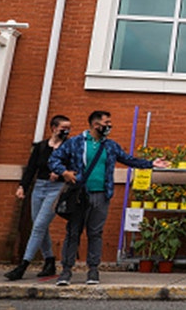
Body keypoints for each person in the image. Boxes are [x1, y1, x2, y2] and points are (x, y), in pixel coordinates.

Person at [48, 110, 170, 286]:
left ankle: (93, 270)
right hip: (79, 195)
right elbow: (54, 160)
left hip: (101, 195)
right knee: (73, 232)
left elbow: (128, 159)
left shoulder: (110, 145)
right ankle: (66, 270)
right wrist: (64, 172)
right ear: (96, 125)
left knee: (95, 232)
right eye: (107, 123)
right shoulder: (75, 143)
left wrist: (151, 163)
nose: (110, 126)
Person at [5, 115, 72, 281]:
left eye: (69, 128)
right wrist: (23, 186)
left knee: (39, 225)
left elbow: (74, 168)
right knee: (39, 225)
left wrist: (61, 173)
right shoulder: (41, 147)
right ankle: (49, 261)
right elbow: (31, 168)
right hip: (39, 187)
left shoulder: (69, 147)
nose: (67, 131)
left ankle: (23, 265)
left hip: (56, 189)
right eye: (64, 128)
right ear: (54, 128)